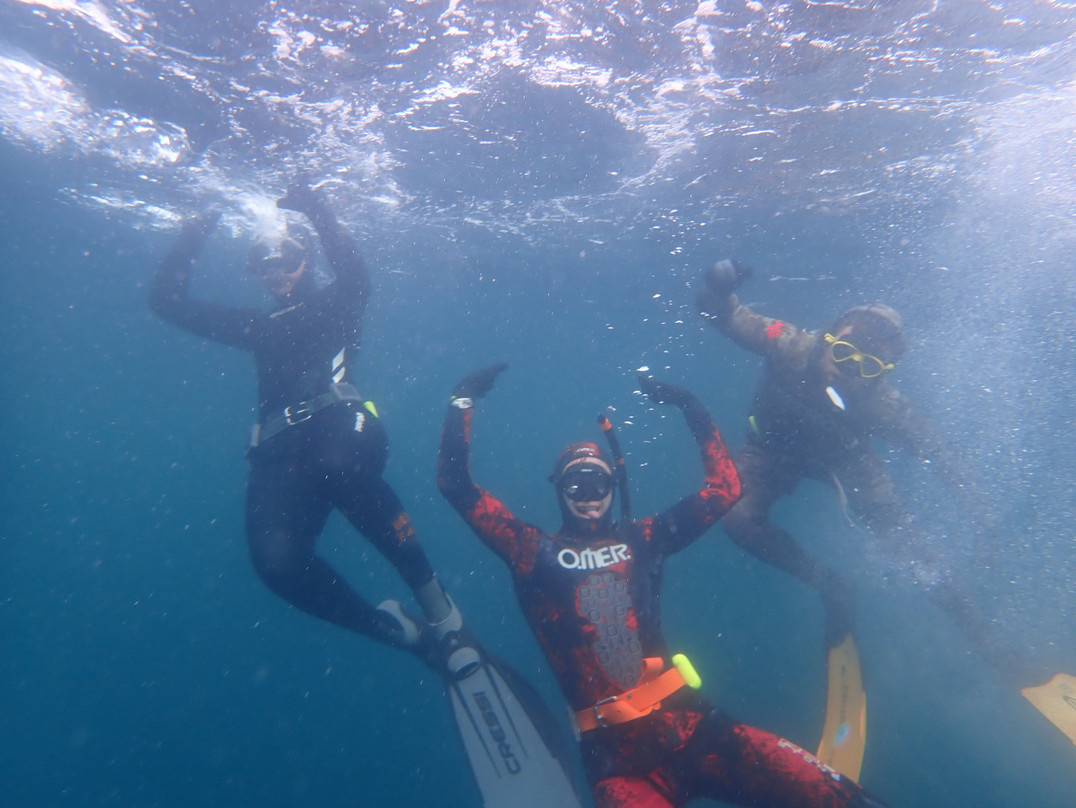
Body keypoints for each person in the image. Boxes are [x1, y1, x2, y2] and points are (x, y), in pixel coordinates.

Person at [437, 364, 889, 808]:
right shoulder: (529, 550)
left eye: (599, 481)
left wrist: (691, 407)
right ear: (559, 489)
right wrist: (462, 400)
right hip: (620, 770)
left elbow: (725, 488)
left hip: (697, 729)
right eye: (577, 482)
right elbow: (456, 486)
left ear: (614, 485)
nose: (589, 493)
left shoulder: (644, 539)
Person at [149, 177, 459, 653]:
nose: (276, 274)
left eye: (288, 260)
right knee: (276, 567)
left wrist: (316, 209)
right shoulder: (258, 325)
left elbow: (355, 273)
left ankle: (441, 610)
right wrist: (196, 230)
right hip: (281, 452)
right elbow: (165, 302)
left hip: (346, 430)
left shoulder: (337, 301)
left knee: (340, 465)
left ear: (307, 259)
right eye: (263, 265)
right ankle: (398, 632)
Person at [695, 259, 1016, 678]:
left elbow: (944, 458)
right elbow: (722, 313)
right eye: (843, 354)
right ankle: (829, 584)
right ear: (826, 339)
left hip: (845, 460)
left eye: (865, 368)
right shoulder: (787, 343)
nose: (847, 373)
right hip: (768, 454)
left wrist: (983, 522)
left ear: (882, 374)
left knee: (911, 547)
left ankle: (988, 644)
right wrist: (717, 287)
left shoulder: (883, 404)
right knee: (734, 517)